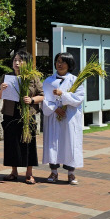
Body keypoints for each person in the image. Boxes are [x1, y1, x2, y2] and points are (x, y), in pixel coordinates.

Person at [0, 50, 44, 184]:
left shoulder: (33, 77)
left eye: (20, 60)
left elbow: (42, 95)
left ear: (27, 63)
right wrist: (2, 90)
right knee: (12, 143)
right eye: (15, 60)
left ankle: (29, 173)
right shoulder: (6, 77)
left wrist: (32, 100)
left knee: (28, 143)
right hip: (11, 114)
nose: (16, 63)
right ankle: (13, 172)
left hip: (28, 114)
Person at [42, 52, 85, 185]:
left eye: (63, 62)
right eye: (58, 61)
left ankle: (71, 173)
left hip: (69, 117)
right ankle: (53, 171)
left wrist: (63, 94)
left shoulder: (75, 81)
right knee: (53, 143)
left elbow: (79, 99)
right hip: (54, 117)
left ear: (69, 64)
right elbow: (44, 99)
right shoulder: (48, 80)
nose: (59, 64)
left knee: (70, 143)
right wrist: (55, 109)